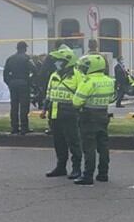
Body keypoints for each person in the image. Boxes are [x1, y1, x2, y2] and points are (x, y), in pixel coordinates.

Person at [72, 54, 116, 185]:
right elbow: (111, 98)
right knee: (103, 146)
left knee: (89, 147)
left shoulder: (88, 81)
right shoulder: (109, 81)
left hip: (88, 116)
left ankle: (88, 176)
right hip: (103, 114)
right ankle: (103, 174)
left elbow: (76, 102)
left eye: (85, 67)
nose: (83, 69)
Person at [41, 46, 83, 179]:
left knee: (73, 142)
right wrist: (44, 109)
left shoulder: (77, 76)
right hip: (54, 113)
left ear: (67, 62)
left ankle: (76, 168)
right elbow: (49, 94)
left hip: (70, 114)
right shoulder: (54, 75)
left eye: (60, 60)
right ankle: (61, 167)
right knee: (59, 142)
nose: (56, 63)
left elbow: (81, 95)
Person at [3, 41, 34, 135]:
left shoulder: (10, 59)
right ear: (24, 48)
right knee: (24, 107)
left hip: (13, 84)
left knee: (14, 106)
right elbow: (35, 70)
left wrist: (9, 83)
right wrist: (30, 81)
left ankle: (14, 127)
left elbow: (5, 74)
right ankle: (24, 128)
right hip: (24, 84)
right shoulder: (27, 58)